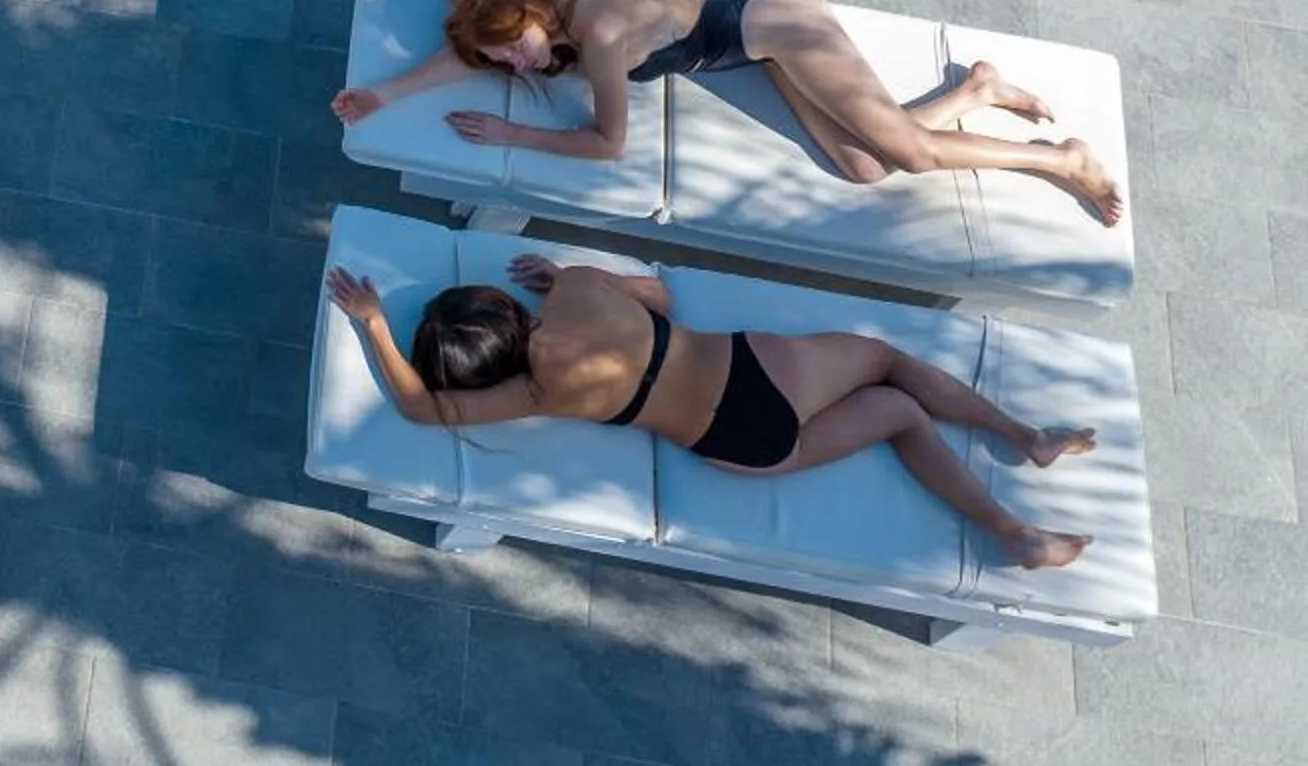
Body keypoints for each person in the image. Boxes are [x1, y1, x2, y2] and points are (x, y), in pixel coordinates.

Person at [325, 253, 1095, 570]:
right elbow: (662, 295)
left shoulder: (537, 393)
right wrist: (560, 274)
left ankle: (1014, 534)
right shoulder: (576, 286)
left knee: (897, 413)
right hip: (757, 368)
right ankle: (1024, 439)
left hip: (736, 442)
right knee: (888, 366)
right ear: (500, 304)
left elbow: (428, 411)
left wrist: (374, 325)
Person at [330, 0, 1123, 226]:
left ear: (533, 11)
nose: (515, 68)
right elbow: (470, 46)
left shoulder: (598, 30)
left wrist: (514, 135)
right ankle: (977, 89)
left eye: (515, 52)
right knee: (864, 165)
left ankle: (1065, 161)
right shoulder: (533, 15)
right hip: (754, 48)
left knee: (911, 154)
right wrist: (384, 96)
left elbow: (607, 145)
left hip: (781, 23)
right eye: (506, 65)